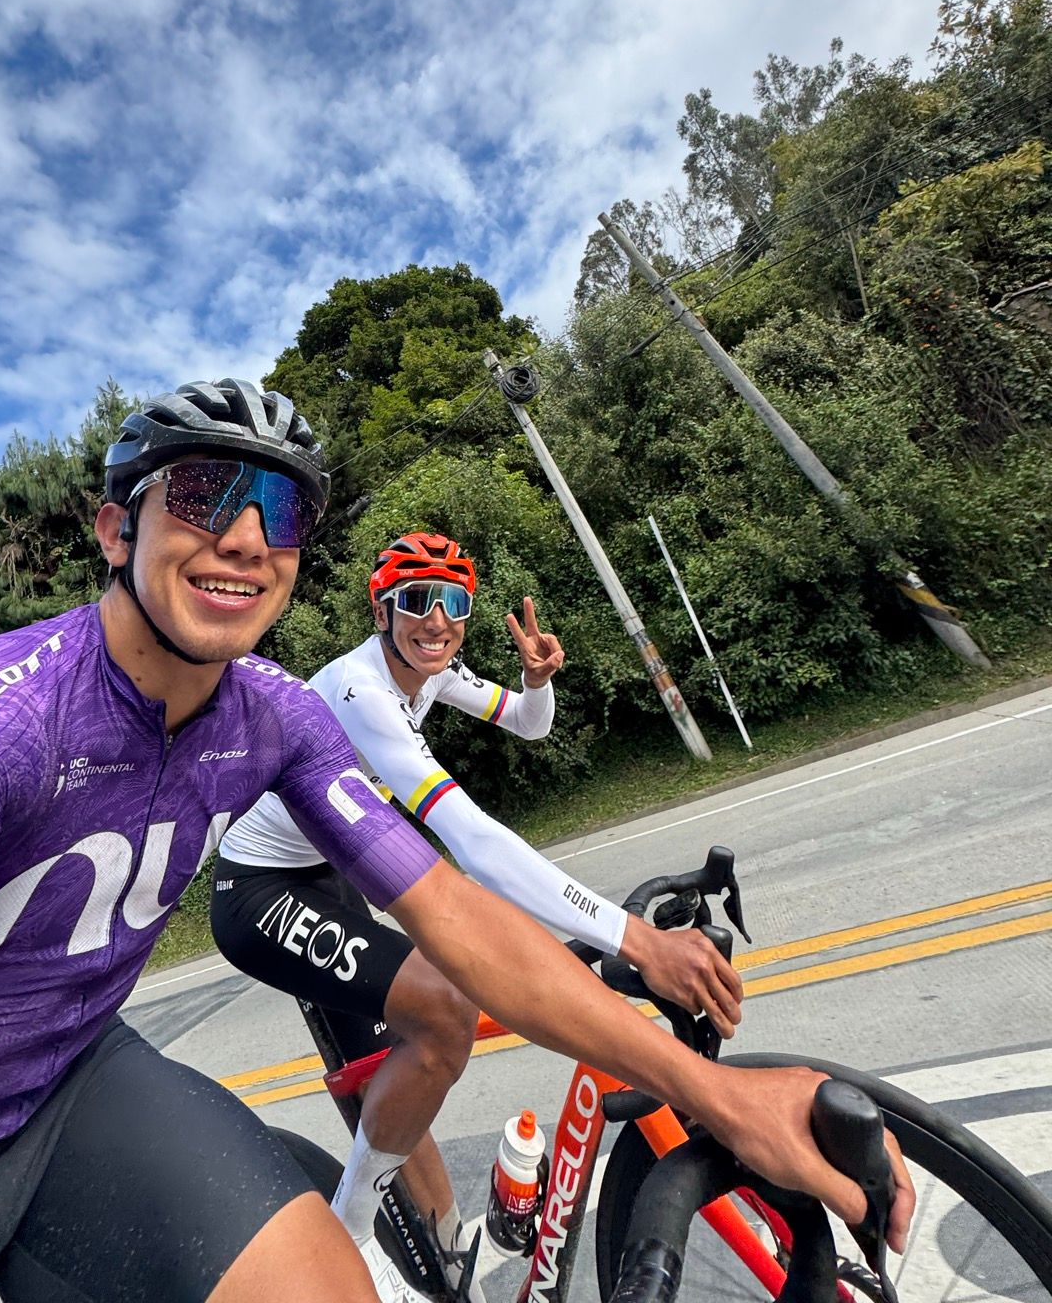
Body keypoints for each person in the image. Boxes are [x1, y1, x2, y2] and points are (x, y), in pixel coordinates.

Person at [0, 376, 913, 1303]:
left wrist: (715, 1094)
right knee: (436, 1013)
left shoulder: (277, 709)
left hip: (74, 1070)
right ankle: (373, 1209)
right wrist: (632, 942)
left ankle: (378, 1223)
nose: (244, 537)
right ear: (115, 531)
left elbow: (456, 898)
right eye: (203, 494)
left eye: (280, 510)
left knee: (425, 1053)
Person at [212, 533, 744, 1299]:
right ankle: (346, 1235)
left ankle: (436, 1261)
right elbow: (475, 844)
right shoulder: (360, 694)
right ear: (382, 610)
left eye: (453, 602)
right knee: (445, 1011)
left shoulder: (433, 670)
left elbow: (527, 722)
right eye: (417, 601)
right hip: (262, 889)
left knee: (412, 1068)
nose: (437, 620)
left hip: (335, 864)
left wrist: (535, 682)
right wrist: (635, 939)